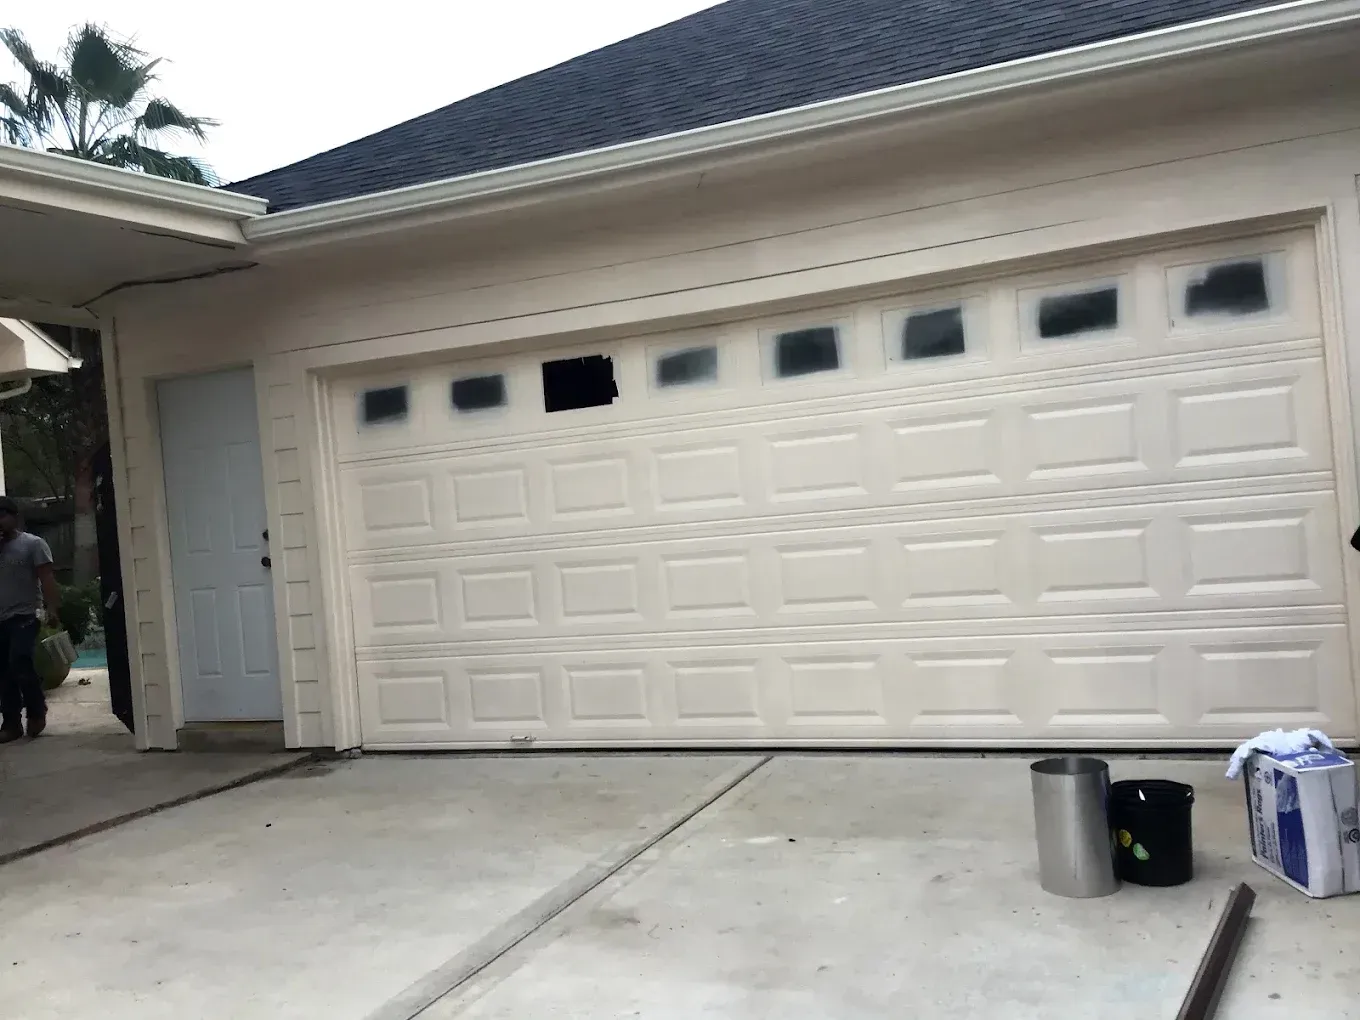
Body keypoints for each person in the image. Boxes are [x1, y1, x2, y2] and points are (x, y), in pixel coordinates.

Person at [0, 497, 60, 742]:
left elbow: (46, 578)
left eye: (3, 515)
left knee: (20, 661)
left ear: (14, 517)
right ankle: (11, 724)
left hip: (25, 614)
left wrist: (53, 608)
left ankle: (36, 711)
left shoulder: (33, 544)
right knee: (3, 673)